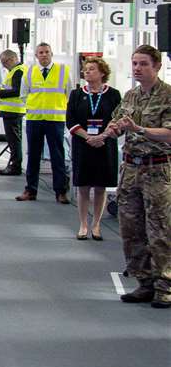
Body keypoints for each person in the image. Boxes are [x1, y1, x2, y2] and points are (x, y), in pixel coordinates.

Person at [104, 45, 171, 307]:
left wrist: (140, 129)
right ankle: (143, 282)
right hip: (131, 170)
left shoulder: (167, 96)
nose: (137, 69)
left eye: (143, 64)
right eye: (134, 64)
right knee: (131, 229)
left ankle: (164, 285)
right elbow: (118, 123)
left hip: (158, 170)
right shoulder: (131, 96)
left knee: (160, 230)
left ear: (156, 66)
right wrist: (110, 131)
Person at [67, 57, 121, 242]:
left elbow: (118, 119)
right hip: (83, 144)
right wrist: (89, 137)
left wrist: (102, 136)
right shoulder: (76, 94)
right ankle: (83, 224)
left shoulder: (113, 94)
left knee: (100, 186)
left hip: (105, 145)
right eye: (85, 69)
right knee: (83, 186)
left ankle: (96, 224)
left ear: (102, 73)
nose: (87, 72)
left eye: (91, 69)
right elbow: (71, 120)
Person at [16, 42, 71, 205]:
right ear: (36, 55)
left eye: (47, 52)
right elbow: (23, 94)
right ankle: (30, 190)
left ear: (51, 53)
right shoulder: (30, 71)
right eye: (41, 52)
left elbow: (68, 94)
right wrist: (35, 106)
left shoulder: (63, 71)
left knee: (57, 156)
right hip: (35, 119)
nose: (44, 55)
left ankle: (60, 191)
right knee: (33, 155)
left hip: (55, 120)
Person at [0, 49, 27, 176]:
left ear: (12, 59)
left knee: (14, 141)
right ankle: (14, 164)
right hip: (11, 111)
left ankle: (15, 166)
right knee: (13, 140)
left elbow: (16, 91)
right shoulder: (14, 71)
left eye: (4, 62)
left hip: (13, 111)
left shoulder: (18, 71)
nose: (3, 65)